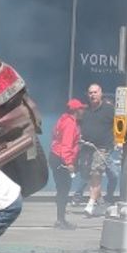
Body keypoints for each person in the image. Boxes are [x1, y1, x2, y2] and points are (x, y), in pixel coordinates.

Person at [81, 83, 119, 217]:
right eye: (90, 93)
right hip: (86, 147)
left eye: (95, 92)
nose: (92, 95)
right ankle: (101, 202)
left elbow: (119, 125)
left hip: (102, 148)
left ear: (101, 93)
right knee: (87, 176)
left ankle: (90, 205)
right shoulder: (85, 110)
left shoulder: (109, 109)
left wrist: (117, 141)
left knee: (96, 173)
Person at [50, 98, 85, 230]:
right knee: (64, 190)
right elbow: (66, 145)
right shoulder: (70, 124)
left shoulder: (63, 119)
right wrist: (69, 163)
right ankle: (60, 220)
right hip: (61, 159)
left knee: (61, 189)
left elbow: (55, 136)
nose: (83, 111)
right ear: (76, 110)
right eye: (81, 108)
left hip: (55, 156)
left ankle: (61, 219)